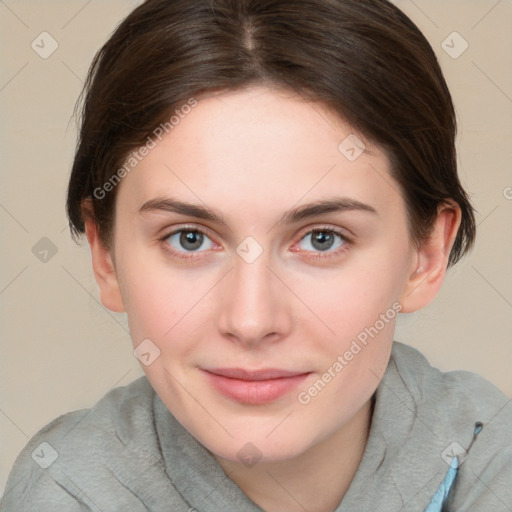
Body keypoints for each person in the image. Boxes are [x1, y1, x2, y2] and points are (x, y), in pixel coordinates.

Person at [1, 0, 511, 511]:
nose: (250, 321)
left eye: (322, 239)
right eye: (190, 239)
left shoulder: (494, 458)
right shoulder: (60, 491)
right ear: (105, 256)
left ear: (426, 254)